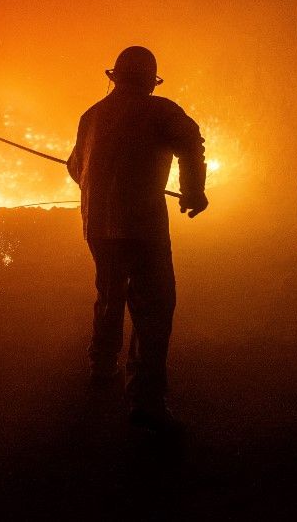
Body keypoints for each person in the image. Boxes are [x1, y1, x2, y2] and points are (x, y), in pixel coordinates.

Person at [67, 46, 208, 431]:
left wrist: (101, 185)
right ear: (149, 80)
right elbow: (191, 143)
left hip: (97, 225)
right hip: (142, 226)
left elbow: (75, 167)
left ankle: (101, 364)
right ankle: (146, 401)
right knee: (154, 306)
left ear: (115, 77)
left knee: (110, 293)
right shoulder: (160, 111)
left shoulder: (91, 116)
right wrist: (194, 191)